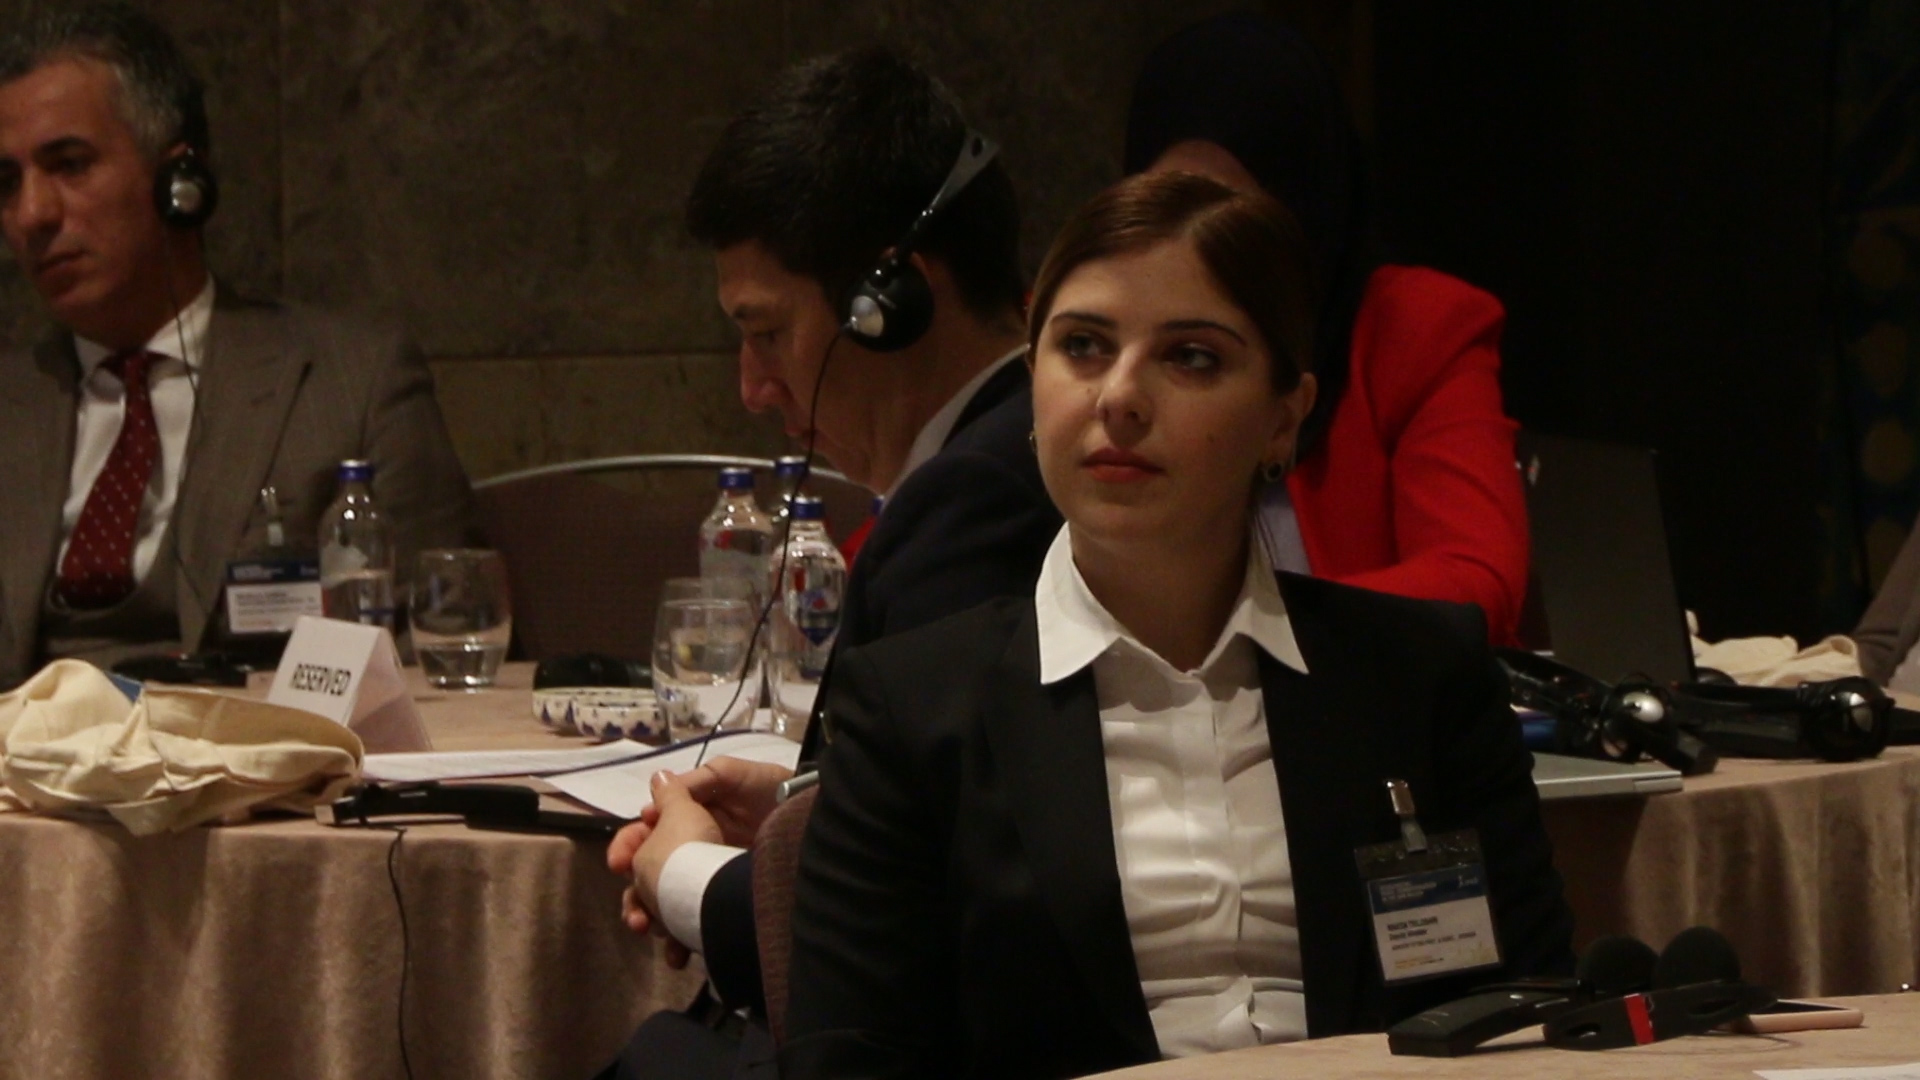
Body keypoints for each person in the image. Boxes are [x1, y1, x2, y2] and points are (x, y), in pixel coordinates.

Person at [779, 171, 1574, 1079]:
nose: (1119, 397)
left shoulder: (1421, 677)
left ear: (1284, 419)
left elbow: (1532, 1018)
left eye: (1191, 357)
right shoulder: (912, 709)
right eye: (1082, 346)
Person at [595, 46, 1061, 1078]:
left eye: (766, 333)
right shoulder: (1001, 453)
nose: (752, 387)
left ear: (891, 304)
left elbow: (905, 945)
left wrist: (681, 875)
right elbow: (955, 818)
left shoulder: (977, 502)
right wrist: (807, 810)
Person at [0, 3, 477, 690]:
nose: (31, 214)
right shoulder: (13, 402)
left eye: (70, 165)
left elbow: (447, 643)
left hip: (266, 747)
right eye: (6, 182)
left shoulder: (353, 381)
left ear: (180, 187)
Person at [1125, 12, 1531, 644]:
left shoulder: (1413, 329)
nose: (1190, 246)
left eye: (1226, 212)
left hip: (1357, 692)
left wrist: (1240, 635)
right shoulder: (1102, 343)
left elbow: (1475, 582)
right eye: (1163, 204)